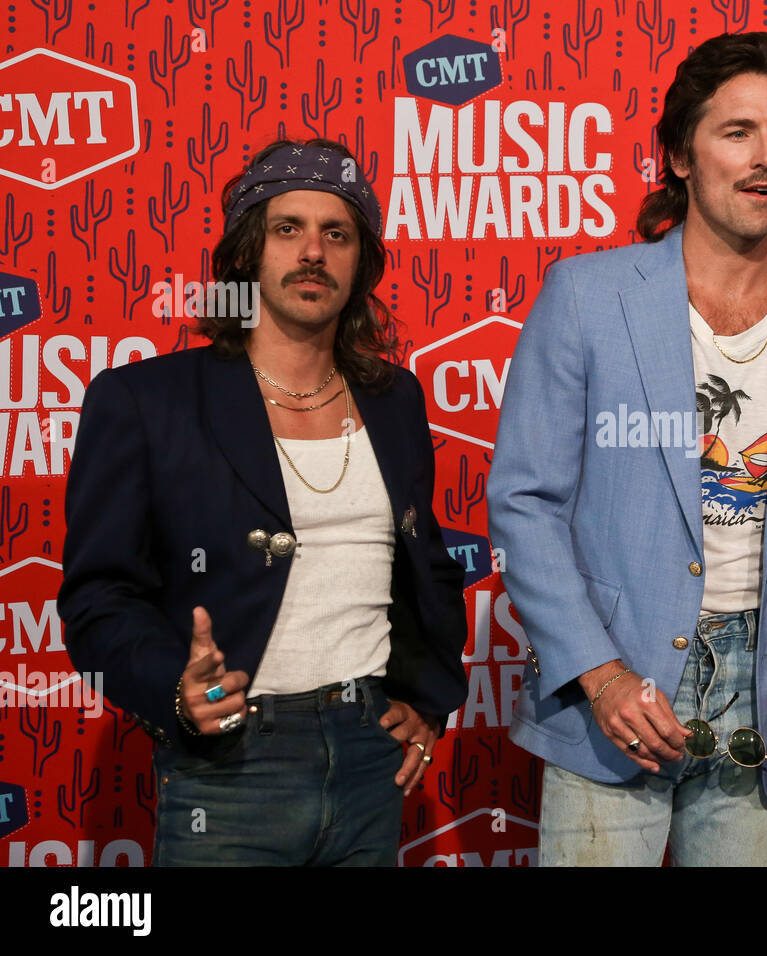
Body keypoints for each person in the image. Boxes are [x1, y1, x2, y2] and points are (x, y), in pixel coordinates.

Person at [487, 31, 767, 866]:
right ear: (678, 155)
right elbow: (525, 503)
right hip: (618, 690)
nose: (764, 156)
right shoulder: (588, 297)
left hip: (766, 702)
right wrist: (598, 674)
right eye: (736, 131)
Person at [58, 139, 469, 866]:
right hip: (229, 764)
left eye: (336, 234)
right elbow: (99, 598)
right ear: (248, 252)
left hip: (370, 754)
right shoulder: (147, 401)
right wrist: (177, 690)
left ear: (360, 262)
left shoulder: (394, 398)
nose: (313, 251)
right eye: (288, 229)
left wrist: (429, 701)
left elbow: (424, 565)